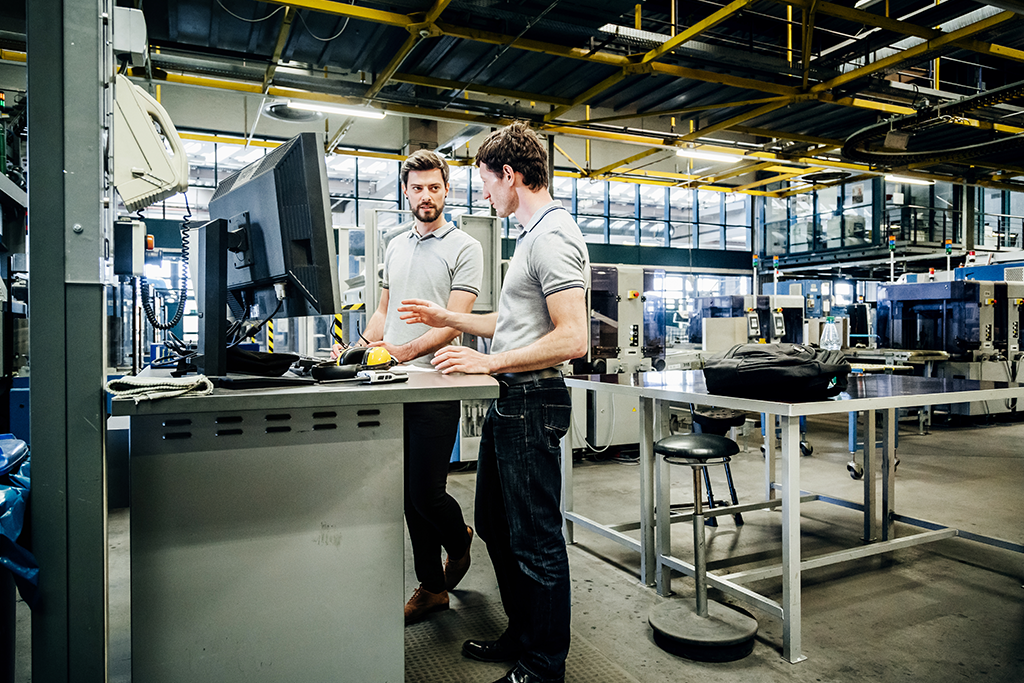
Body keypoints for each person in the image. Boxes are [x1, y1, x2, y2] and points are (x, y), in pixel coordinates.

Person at [398, 122, 589, 683]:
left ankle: (543, 664)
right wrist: (448, 318)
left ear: (511, 175)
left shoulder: (552, 235)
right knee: (495, 525)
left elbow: (572, 338)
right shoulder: (530, 236)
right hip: (514, 399)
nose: (484, 195)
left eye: (486, 183)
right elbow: (510, 324)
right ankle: (523, 633)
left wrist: (487, 362)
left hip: (533, 398)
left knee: (535, 539)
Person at [338, 149, 483, 624]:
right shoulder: (395, 244)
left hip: (436, 382)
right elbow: (383, 311)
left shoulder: (465, 247)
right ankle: (432, 586)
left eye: (434, 187)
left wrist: (401, 353)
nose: (426, 195)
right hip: (391, 383)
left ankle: (460, 539)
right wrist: (356, 348)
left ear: (446, 190)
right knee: (405, 495)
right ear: (406, 192)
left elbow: (453, 324)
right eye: (417, 187)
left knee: (426, 492)